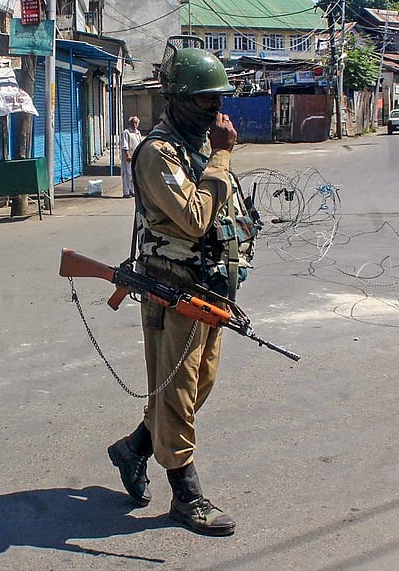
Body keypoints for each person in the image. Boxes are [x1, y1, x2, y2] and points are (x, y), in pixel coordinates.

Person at [107, 41, 257, 537]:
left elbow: (225, 213)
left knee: (195, 390)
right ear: (176, 98)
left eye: (219, 99)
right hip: (174, 291)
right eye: (204, 100)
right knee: (176, 394)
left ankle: (133, 449)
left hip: (213, 291)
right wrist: (221, 156)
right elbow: (194, 218)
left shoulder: (198, 149)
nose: (217, 109)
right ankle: (187, 498)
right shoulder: (158, 153)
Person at [120, 116, 143, 198]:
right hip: (128, 157)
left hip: (136, 156)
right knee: (127, 174)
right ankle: (126, 192)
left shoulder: (138, 133)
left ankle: (132, 190)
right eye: (133, 122)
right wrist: (127, 155)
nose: (134, 124)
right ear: (130, 123)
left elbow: (140, 144)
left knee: (134, 174)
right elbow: (124, 145)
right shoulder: (126, 132)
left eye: (136, 123)